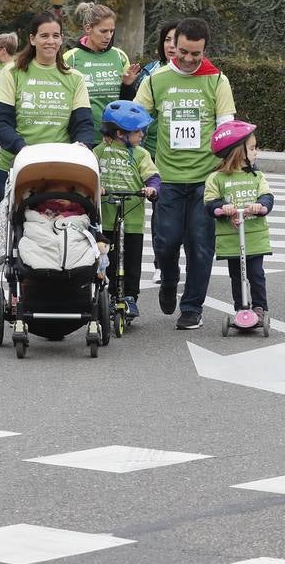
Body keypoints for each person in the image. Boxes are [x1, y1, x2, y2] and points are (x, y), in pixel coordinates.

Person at [134, 17, 237, 330]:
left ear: (205, 49)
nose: (190, 60)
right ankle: (168, 279)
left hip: (206, 179)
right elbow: (136, 119)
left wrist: (228, 166)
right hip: (168, 178)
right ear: (172, 46)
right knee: (166, 243)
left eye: (196, 54)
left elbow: (226, 127)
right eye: (183, 52)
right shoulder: (156, 80)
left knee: (200, 245)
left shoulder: (216, 80)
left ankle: (192, 307)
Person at [0, 12, 94, 203]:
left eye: (56, 36)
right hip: (14, 168)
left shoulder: (75, 78)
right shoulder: (13, 72)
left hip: (59, 171)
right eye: (44, 36)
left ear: (62, 39)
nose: (50, 41)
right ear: (32, 39)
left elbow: (84, 124)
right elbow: (0, 122)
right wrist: (23, 148)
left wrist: (82, 147)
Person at [95, 101, 160, 318]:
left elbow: (153, 177)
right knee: (107, 260)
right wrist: (97, 187)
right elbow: (89, 174)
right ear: (120, 133)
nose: (141, 134)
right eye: (137, 131)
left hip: (131, 218)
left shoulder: (140, 154)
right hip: (105, 218)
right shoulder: (99, 152)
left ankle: (130, 296)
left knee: (131, 260)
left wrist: (151, 189)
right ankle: (108, 295)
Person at [205, 120, 273, 317]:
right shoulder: (217, 178)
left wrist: (261, 205)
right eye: (252, 148)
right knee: (237, 275)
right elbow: (210, 202)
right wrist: (221, 208)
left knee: (256, 274)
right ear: (238, 151)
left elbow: (267, 196)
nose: (255, 152)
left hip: (254, 237)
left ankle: (260, 307)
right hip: (232, 238)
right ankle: (240, 308)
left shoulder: (256, 176)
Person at [63, 2, 142, 128]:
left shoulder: (120, 56)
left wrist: (127, 85)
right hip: (83, 134)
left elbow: (128, 104)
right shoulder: (70, 58)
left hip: (114, 135)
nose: (108, 36)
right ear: (88, 28)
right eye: (103, 31)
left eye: (111, 31)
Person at [130, 20, 178, 159]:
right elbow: (137, 112)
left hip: (186, 153)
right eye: (167, 40)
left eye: (176, 40)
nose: (171, 45)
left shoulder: (200, 76)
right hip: (151, 152)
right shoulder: (149, 72)